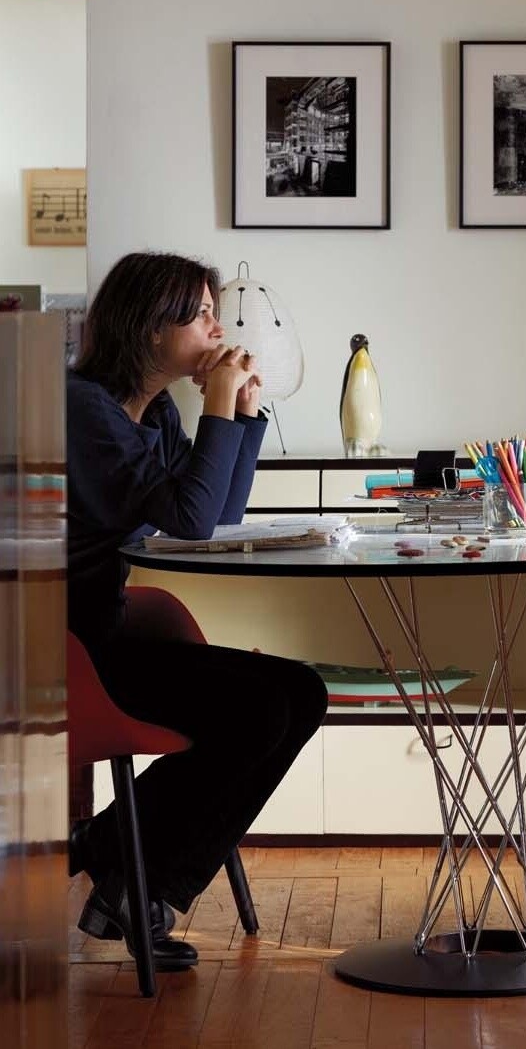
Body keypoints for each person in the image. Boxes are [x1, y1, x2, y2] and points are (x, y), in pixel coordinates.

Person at [67, 252, 328, 971]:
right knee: (263, 710)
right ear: (152, 329)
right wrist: (214, 403)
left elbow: (215, 514)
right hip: (67, 652)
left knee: (301, 691)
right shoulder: (82, 410)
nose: (218, 328)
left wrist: (240, 416)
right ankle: (124, 868)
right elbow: (187, 515)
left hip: (107, 634)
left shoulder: (149, 410)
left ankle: (118, 864)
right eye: (203, 314)